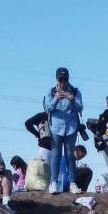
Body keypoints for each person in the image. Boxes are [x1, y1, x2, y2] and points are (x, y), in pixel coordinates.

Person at [43, 66, 83, 194]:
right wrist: (56, 99)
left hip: (71, 127)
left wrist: (73, 100)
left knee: (70, 155)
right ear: (56, 80)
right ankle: (54, 182)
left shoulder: (75, 91)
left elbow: (80, 108)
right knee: (56, 154)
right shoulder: (51, 92)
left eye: (65, 79)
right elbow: (47, 108)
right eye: (60, 80)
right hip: (56, 127)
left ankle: (72, 183)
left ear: (68, 79)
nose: (63, 82)